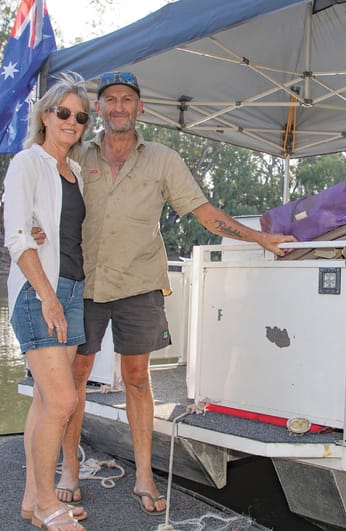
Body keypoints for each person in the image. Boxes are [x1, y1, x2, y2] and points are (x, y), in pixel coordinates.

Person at [52, 70, 296, 515]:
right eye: (110, 100)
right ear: (99, 109)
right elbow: (47, 198)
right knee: (76, 377)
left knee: (138, 379)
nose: (119, 107)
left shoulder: (163, 159)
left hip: (140, 284)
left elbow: (203, 212)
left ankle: (144, 475)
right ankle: (69, 468)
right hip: (83, 282)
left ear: (140, 108)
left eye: (127, 99)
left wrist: (258, 238)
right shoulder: (76, 154)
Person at [4, 72, 92, 531]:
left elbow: (60, 232)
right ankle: (45, 506)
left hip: (73, 289)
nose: (72, 121)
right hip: (39, 292)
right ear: (45, 116)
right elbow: (18, 239)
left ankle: (30, 499)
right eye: (64, 113)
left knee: (43, 399)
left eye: (80, 117)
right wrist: (47, 297)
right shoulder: (27, 163)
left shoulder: (73, 172)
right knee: (62, 401)